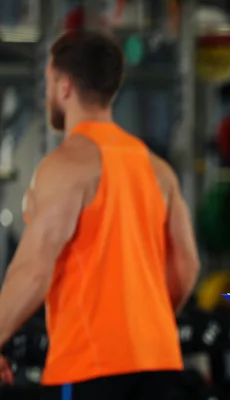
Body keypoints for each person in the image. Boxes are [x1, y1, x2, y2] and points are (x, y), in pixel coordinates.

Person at [0, 30, 200, 399]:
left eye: (49, 83)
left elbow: (32, 270)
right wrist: (140, 325)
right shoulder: (157, 168)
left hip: (92, 369)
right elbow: (185, 268)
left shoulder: (66, 164)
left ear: (64, 86)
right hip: (161, 366)